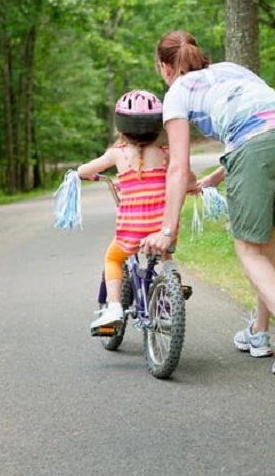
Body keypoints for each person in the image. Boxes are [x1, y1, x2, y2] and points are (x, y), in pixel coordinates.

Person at [143, 30, 275, 375]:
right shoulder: (232, 70)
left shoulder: (177, 91)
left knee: (248, 250)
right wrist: (217, 176)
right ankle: (258, 334)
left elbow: (178, 167)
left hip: (257, 144)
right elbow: (261, 119)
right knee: (265, 242)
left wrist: (167, 229)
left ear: (165, 67)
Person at [78, 89, 195, 329]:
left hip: (132, 230)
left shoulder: (117, 154)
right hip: (163, 228)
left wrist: (86, 175)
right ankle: (172, 286)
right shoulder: (167, 154)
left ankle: (113, 308)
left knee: (112, 258)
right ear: (158, 128)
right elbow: (189, 180)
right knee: (165, 254)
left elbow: (84, 171)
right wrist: (194, 187)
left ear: (120, 129)